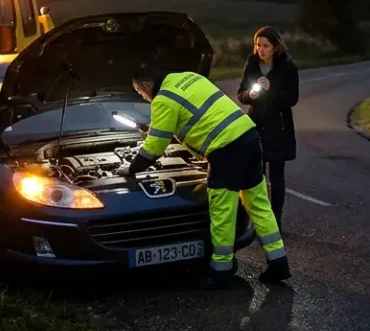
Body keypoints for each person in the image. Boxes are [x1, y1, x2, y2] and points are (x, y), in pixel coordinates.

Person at [120, 63, 291, 288]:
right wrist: (155, 127)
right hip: (249, 137)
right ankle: (279, 264)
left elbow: (154, 149)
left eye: (140, 92)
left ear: (146, 84)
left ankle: (221, 271)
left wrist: (131, 169)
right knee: (259, 204)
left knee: (223, 212)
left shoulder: (163, 99)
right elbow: (199, 114)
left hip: (226, 151)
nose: (142, 97)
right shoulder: (188, 77)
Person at [237, 26, 299, 227]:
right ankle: (260, 220)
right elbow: (241, 94)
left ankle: (276, 220)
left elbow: (292, 98)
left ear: (275, 47)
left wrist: (271, 90)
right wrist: (250, 95)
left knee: (277, 176)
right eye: (258, 45)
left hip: (278, 127)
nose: (261, 49)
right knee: (257, 176)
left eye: (265, 46)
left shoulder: (287, 68)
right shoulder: (252, 63)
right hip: (256, 125)